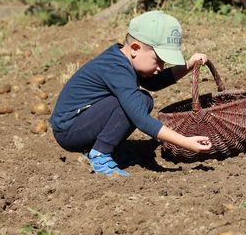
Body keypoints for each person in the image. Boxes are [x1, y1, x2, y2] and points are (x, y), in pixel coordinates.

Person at [50, 11, 212, 176]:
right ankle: (100, 153)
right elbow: (140, 119)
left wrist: (188, 65)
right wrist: (185, 142)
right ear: (135, 48)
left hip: (81, 125)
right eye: (158, 61)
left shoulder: (126, 61)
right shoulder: (117, 68)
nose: (160, 68)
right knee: (135, 103)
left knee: (143, 100)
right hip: (69, 131)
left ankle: (100, 148)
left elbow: (154, 83)